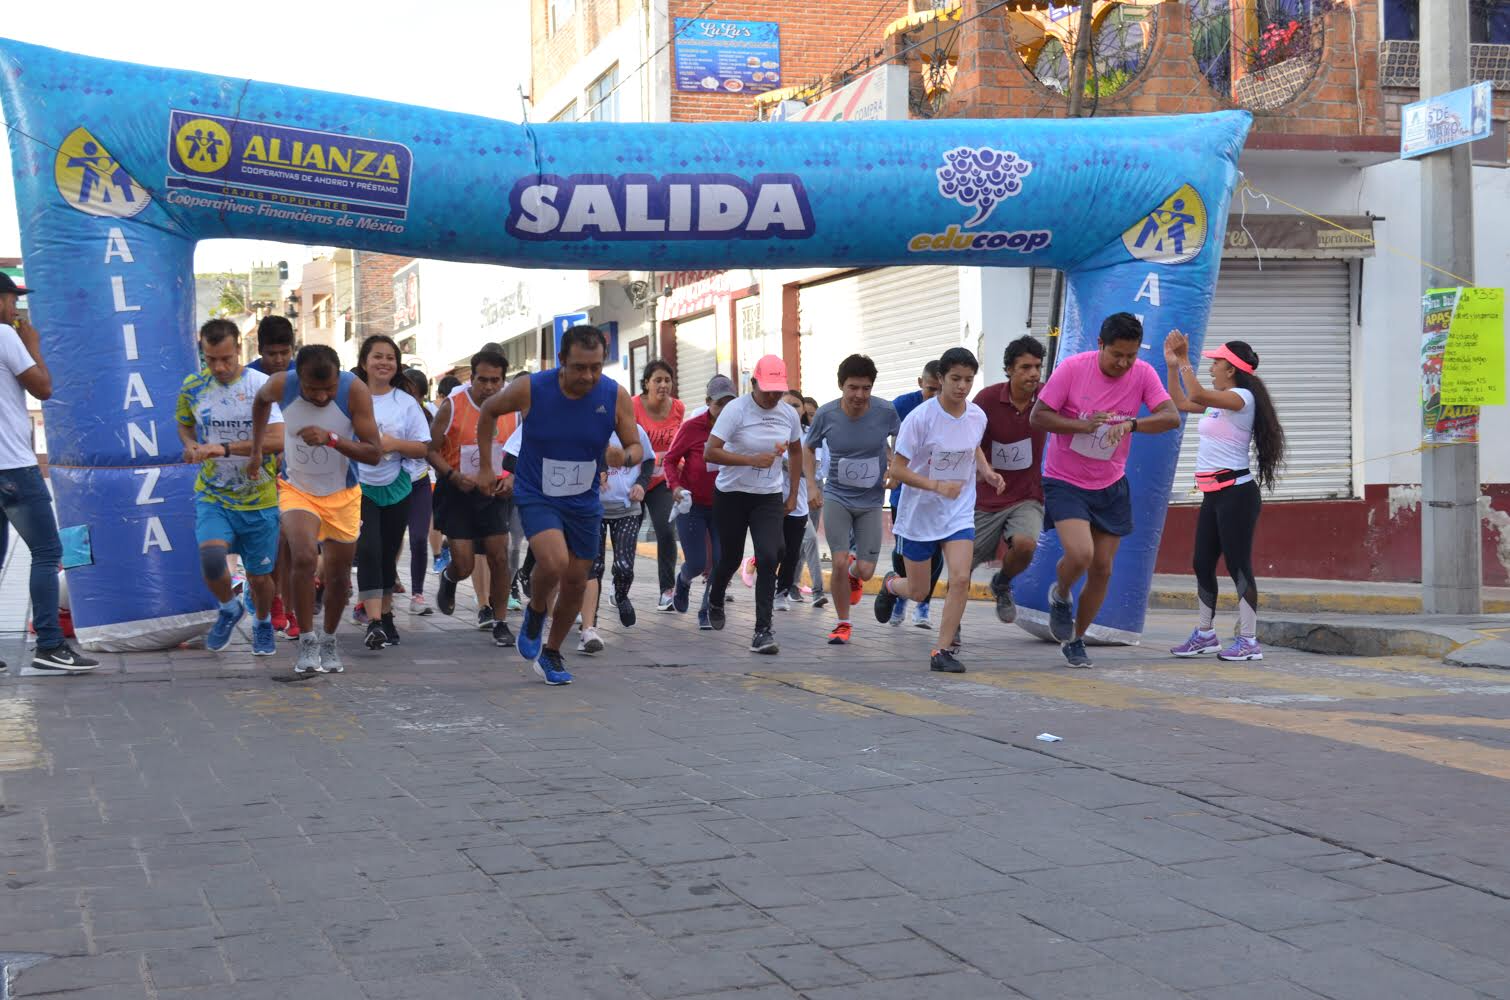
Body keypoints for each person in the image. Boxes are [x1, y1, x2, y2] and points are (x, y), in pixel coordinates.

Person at [475, 325, 642, 686]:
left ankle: (550, 653)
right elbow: (488, 411)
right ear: (562, 360)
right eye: (580, 367)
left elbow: (636, 448)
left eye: (596, 367)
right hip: (538, 492)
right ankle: (537, 611)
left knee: (577, 581)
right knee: (554, 561)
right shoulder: (532, 388)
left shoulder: (614, 395)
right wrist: (487, 467)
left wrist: (623, 456)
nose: (589, 376)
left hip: (583, 499)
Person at [1030, 312, 1180, 668]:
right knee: (1081, 554)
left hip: (1110, 482)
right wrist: (1080, 425)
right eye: (1117, 355)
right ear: (1100, 345)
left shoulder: (1142, 373)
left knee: (1102, 568)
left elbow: (1171, 416)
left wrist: (1132, 425)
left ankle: (1076, 639)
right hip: (1065, 480)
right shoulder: (1072, 369)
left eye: (1131, 355)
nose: (1124, 363)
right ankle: (1061, 595)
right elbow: (1039, 416)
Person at [249, 345, 382, 675]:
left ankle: (329, 639)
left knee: (338, 577)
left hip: (343, 493)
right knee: (304, 556)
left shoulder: (354, 391)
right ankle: (307, 639)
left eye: (329, 389)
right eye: (313, 389)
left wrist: (332, 438)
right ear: (300, 378)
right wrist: (256, 449)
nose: (322, 397)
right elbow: (260, 402)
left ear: (338, 377)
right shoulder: (282, 384)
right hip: (297, 489)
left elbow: (374, 453)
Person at [873, 348, 1003, 673]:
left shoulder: (977, 416)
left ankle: (941, 651)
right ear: (941, 378)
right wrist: (936, 486)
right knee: (918, 591)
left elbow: (973, 446)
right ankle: (891, 584)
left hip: (958, 511)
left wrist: (986, 471)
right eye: (955, 379)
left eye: (968, 380)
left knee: (960, 578)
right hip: (920, 514)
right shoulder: (920, 419)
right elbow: (898, 470)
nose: (962, 386)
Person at [1164, 334, 1285, 662]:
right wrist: (1173, 366)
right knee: (1202, 562)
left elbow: (1196, 393)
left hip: (1237, 494)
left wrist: (1185, 359)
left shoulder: (1241, 397)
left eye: (1216, 362)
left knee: (1237, 564)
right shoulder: (1220, 402)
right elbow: (1181, 401)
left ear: (1231, 369)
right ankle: (1205, 634)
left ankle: (1249, 641)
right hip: (1214, 495)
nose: (1211, 367)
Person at [0, 274, 98, 672]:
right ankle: (50, 645)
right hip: (13, 466)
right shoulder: (5, 336)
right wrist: (34, 347)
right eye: (13, 300)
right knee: (46, 552)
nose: (16, 308)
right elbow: (43, 388)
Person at [175, 319, 284, 658]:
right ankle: (228, 607)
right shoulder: (193, 386)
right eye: (211, 359)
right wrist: (191, 445)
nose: (219, 367)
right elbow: (184, 425)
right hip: (214, 494)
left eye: (226, 358)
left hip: (259, 497)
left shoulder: (261, 385)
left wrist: (222, 449)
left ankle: (262, 622)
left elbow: (278, 440)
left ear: (239, 348)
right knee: (211, 559)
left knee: (260, 577)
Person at [704, 355, 803, 655]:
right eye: (767, 390)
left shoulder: (788, 414)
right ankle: (716, 596)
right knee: (731, 558)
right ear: (754, 384)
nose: (773, 396)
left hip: (768, 496)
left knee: (770, 555)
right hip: (731, 494)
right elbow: (710, 452)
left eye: (778, 391)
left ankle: (763, 631)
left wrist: (793, 493)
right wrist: (750, 460)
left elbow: (796, 452)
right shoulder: (736, 410)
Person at [803, 355, 900, 645]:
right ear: (841, 386)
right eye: (853, 387)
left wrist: (894, 466)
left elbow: (901, 438)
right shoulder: (826, 415)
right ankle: (842, 623)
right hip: (837, 496)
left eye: (866, 388)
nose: (859, 395)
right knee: (839, 560)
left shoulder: (885, 411)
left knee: (866, 570)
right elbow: (808, 448)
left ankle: (855, 573)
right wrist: (811, 486)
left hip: (871, 500)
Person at [427, 349, 516, 648]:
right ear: (471, 378)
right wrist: (453, 476)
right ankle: (450, 578)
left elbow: (524, 451)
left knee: (499, 556)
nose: (489, 387)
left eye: (495, 381)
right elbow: (430, 450)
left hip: (495, 491)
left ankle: (500, 621)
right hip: (458, 491)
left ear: (503, 380)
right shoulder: (452, 406)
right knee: (464, 564)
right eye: (482, 380)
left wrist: (512, 478)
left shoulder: (514, 408)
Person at [352, 338, 431, 651]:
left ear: (397, 365)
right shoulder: (350, 397)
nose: (384, 363)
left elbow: (423, 447)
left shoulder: (405, 403)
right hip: (359, 486)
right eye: (377, 357)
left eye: (390, 358)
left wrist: (394, 444)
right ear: (364, 362)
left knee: (387, 553)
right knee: (369, 549)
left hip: (397, 486)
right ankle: (373, 621)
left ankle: (385, 616)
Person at [971, 336, 1048, 627]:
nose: (1033, 374)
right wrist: (985, 470)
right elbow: (968, 441)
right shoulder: (987, 400)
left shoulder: (1048, 396)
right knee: (962, 566)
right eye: (1025, 367)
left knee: (1026, 545)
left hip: (1027, 495)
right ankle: (952, 628)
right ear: (1009, 370)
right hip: (987, 497)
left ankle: (1002, 583)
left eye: (1038, 367)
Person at [577, 423, 655, 653]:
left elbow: (649, 460)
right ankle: (591, 621)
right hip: (595, 509)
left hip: (627, 508)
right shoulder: (587, 425)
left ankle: (620, 595)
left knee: (624, 566)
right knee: (595, 567)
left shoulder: (634, 430)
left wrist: (641, 484)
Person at [664, 375, 733, 630]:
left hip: (725, 505)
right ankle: (682, 581)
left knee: (719, 561)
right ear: (708, 402)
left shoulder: (739, 429)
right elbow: (670, 460)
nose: (724, 410)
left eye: (730, 404)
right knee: (696, 562)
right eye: (719, 404)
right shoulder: (692, 427)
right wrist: (676, 486)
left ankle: (706, 609)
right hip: (692, 505)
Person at [246, 315, 298, 638]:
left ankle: (290, 608)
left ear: (293, 348)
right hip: (259, 473)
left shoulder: (304, 375)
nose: (278, 360)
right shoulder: (249, 379)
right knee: (273, 542)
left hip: (301, 469)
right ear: (259, 350)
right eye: (271, 353)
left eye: (284, 352)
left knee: (293, 542)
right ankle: (273, 600)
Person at [888, 360, 945, 628]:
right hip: (905, 492)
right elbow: (879, 432)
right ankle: (902, 593)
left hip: (939, 494)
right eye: (930, 389)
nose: (935, 396)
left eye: (939, 390)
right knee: (904, 552)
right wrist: (890, 462)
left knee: (936, 551)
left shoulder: (953, 408)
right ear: (920, 383)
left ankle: (924, 603)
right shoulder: (903, 405)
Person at [633, 360, 685, 612]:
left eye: (667, 380)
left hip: (663, 481)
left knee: (666, 531)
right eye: (657, 380)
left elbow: (681, 442)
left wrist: (679, 462)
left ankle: (667, 591)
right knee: (627, 534)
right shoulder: (632, 406)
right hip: (635, 479)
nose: (663, 385)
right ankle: (619, 584)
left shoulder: (678, 408)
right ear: (646, 383)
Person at [773, 390, 817, 618]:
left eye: (796, 405)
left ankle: (781, 592)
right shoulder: (770, 430)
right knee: (775, 549)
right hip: (771, 499)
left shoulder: (809, 437)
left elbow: (813, 469)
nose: (791, 409)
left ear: (803, 410)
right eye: (786, 404)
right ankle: (768, 586)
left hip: (798, 503)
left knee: (792, 552)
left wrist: (791, 465)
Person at [400, 369, 436, 615]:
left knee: (419, 538)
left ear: (422, 396)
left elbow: (433, 450)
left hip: (419, 482)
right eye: (404, 392)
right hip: (393, 483)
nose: (409, 398)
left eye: (414, 394)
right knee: (389, 541)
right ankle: (384, 589)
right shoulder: (390, 412)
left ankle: (418, 594)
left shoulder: (428, 417)